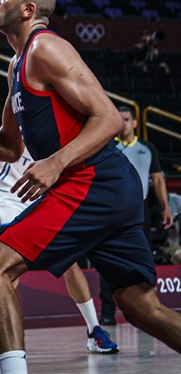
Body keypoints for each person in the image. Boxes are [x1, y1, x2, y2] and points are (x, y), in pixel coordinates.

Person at [0, 0, 181, 373]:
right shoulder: (16, 65)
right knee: (140, 307)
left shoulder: (47, 48)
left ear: (28, 9)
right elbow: (8, 146)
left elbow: (108, 117)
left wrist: (56, 163)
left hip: (93, 179)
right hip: (105, 185)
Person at [0, 151, 118, 353]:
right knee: (7, 263)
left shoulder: (56, 128)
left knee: (69, 262)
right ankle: (9, 341)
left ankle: (94, 330)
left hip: (40, 195)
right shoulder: (15, 120)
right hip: (9, 195)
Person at [99, 105, 174, 324]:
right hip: (112, 208)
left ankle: (149, 307)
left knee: (144, 258)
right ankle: (107, 313)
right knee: (108, 260)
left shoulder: (146, 147)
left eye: (126, 119)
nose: (122, 123)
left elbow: (158, 179)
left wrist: (165, 207)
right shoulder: (108, 146)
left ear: (134, 123)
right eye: (119, 119)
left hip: (140, 209)